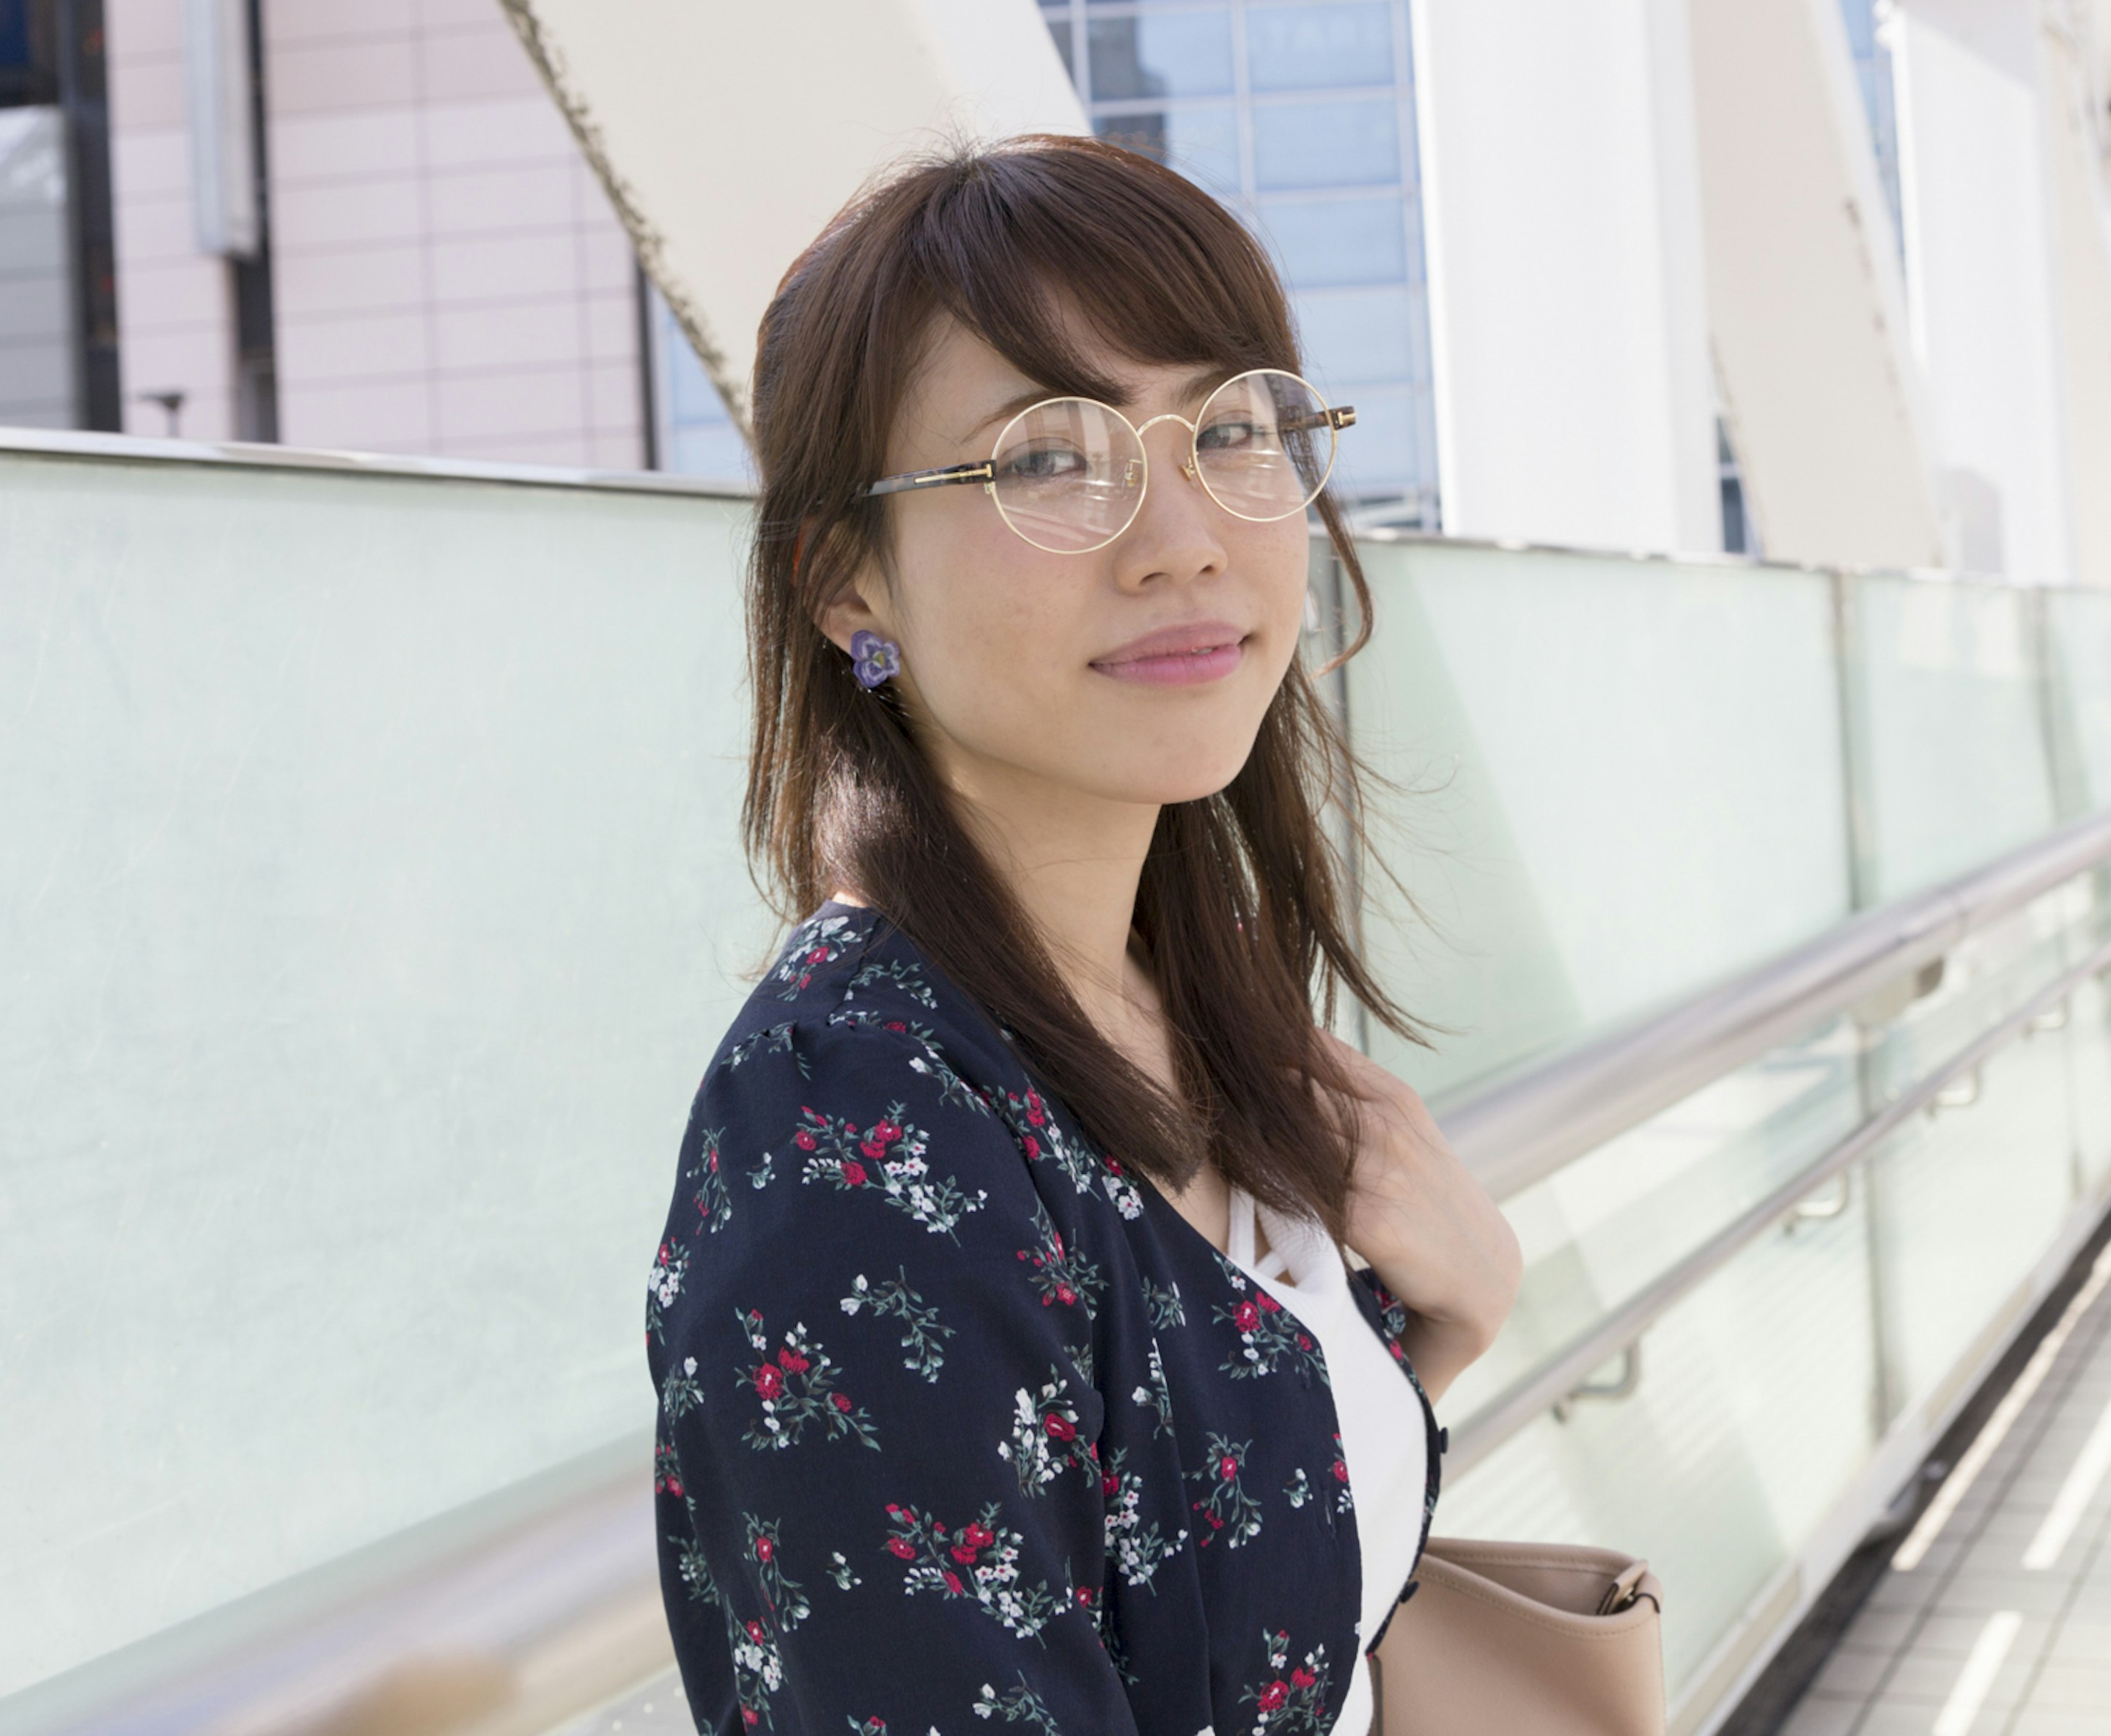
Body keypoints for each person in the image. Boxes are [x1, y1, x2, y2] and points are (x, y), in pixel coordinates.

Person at [645, 136, 1521, 1736]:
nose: (1184, 534)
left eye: (1234, 429)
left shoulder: (1182, 987)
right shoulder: (856, 1126)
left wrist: (1438, 1333)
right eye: (1051, 458)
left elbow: (1193, 1569)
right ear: (848, 585)